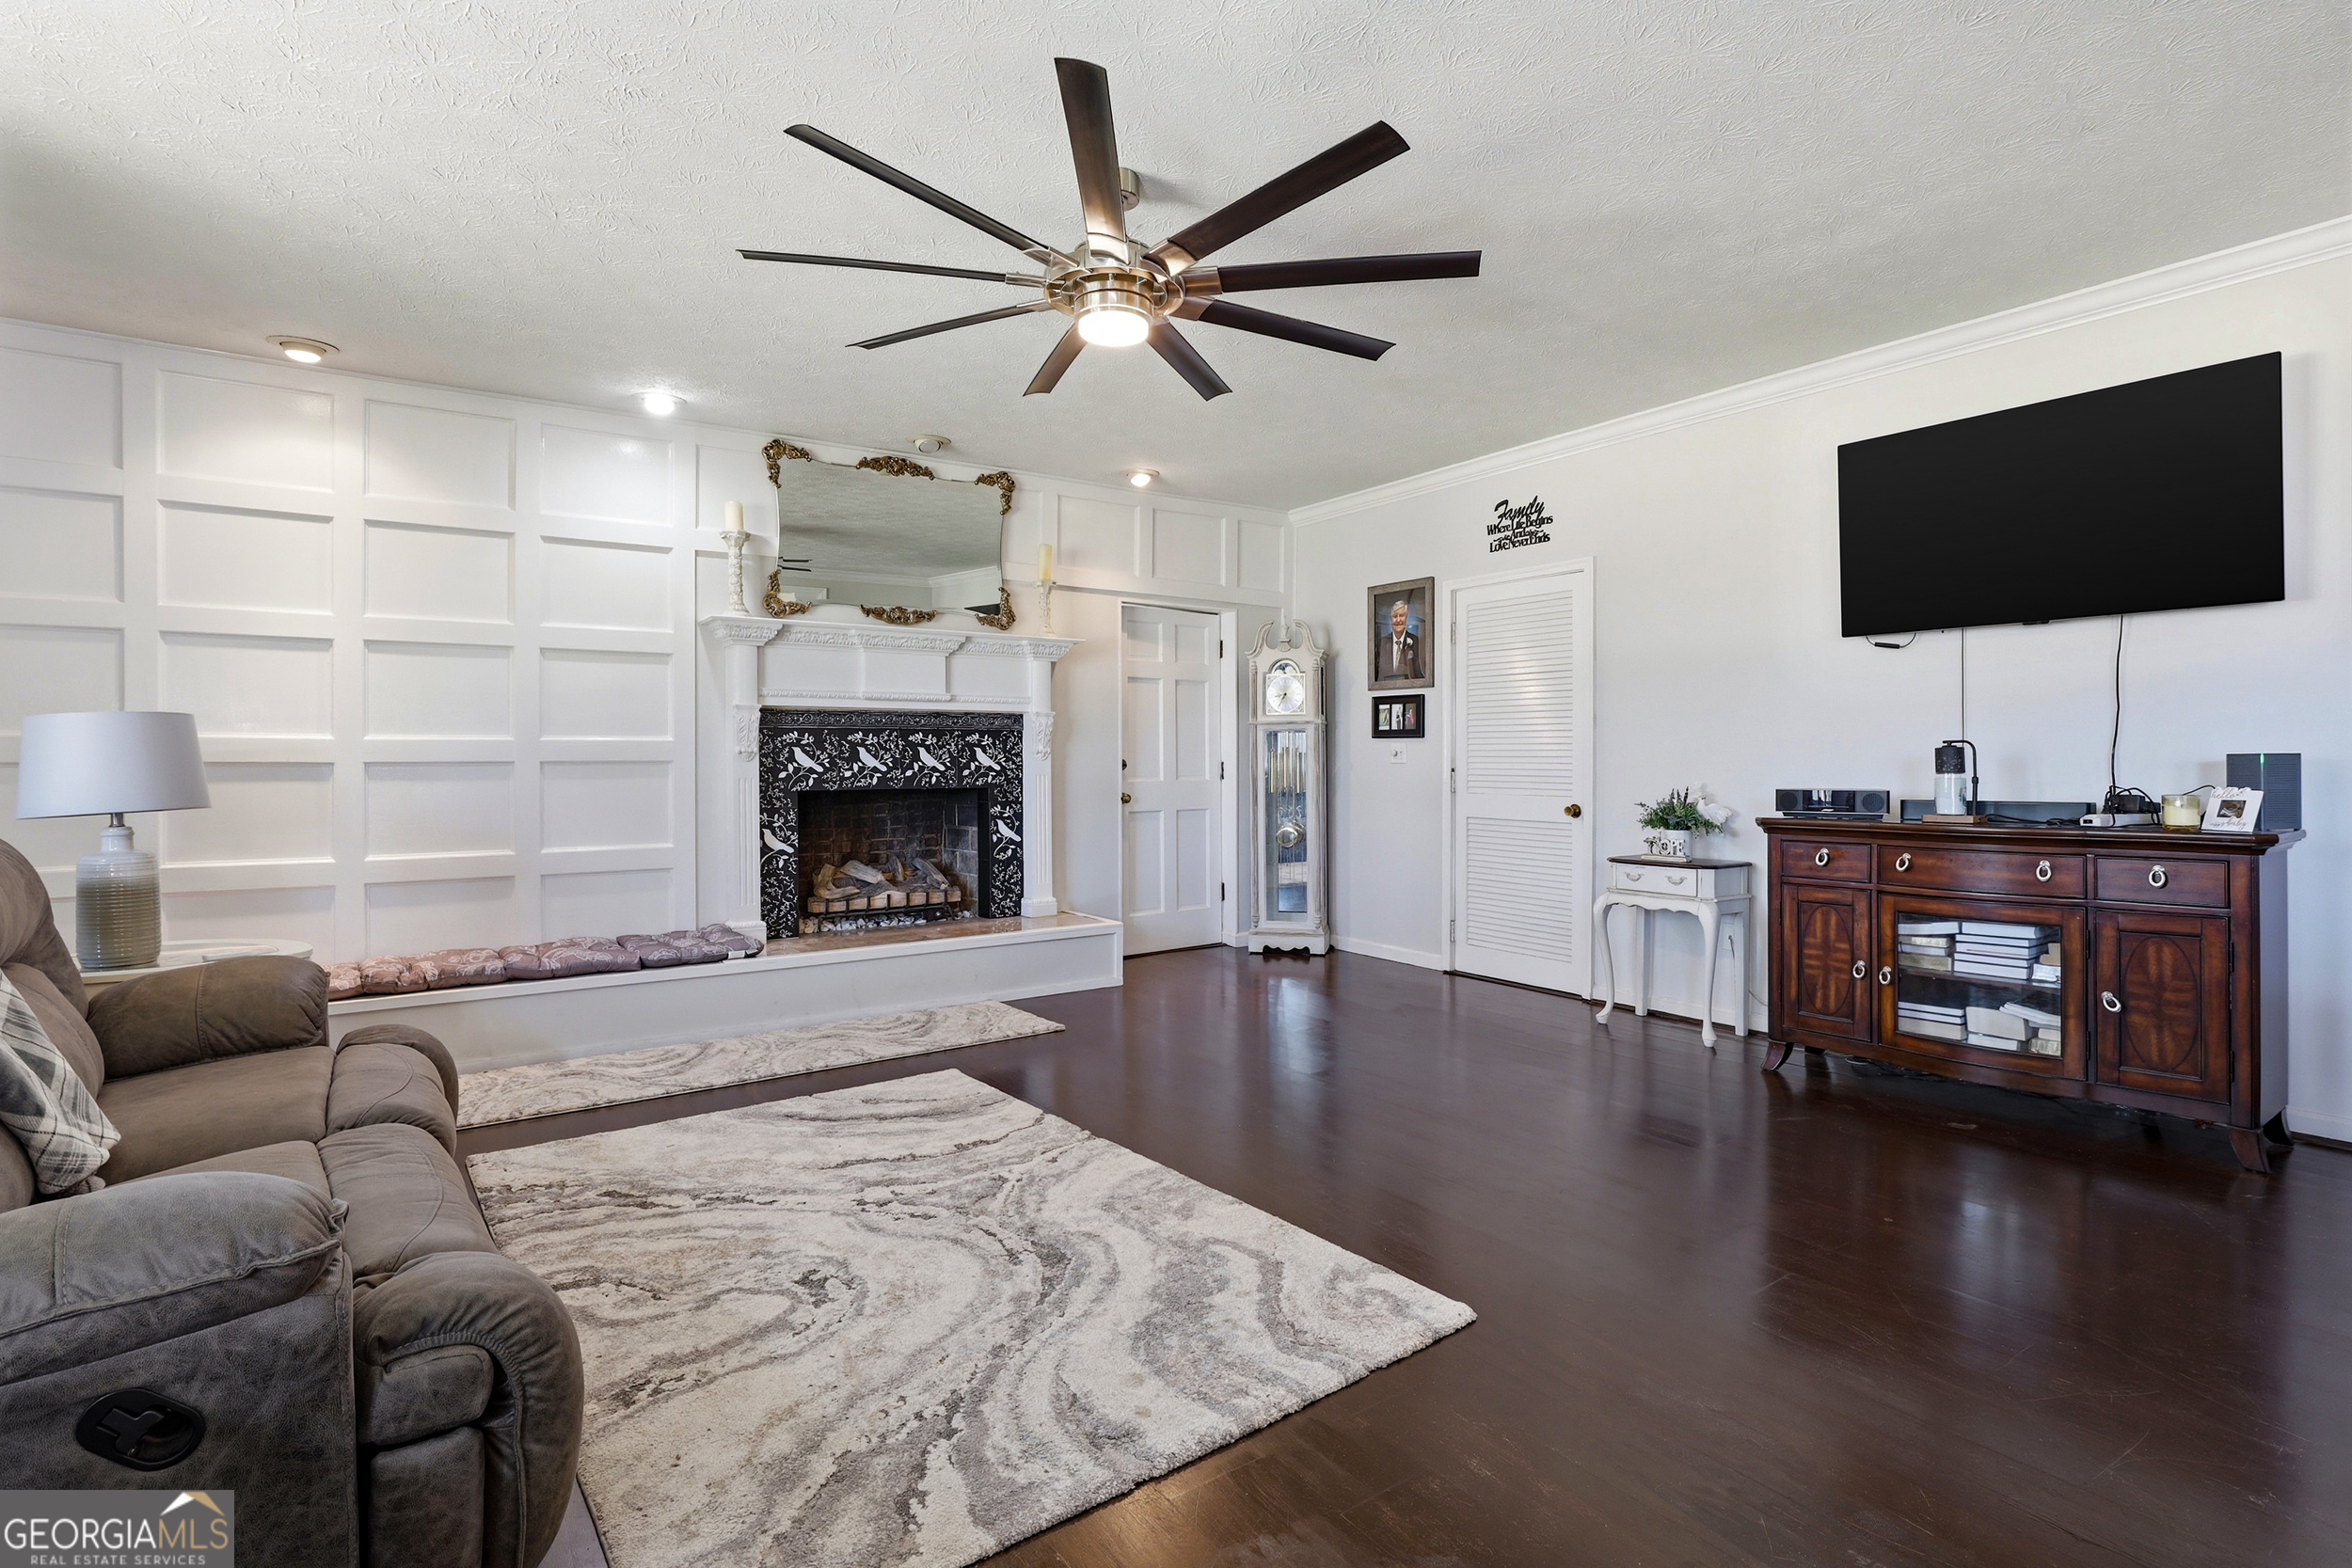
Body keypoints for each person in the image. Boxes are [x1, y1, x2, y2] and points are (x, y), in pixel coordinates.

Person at [1376, 596, 1422, 682]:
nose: (1398, 620)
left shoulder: (1416, 642)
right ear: (1391, 619)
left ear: (1407, 618)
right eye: (1395, 616)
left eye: (1401, 616)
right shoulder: (1381, 643)